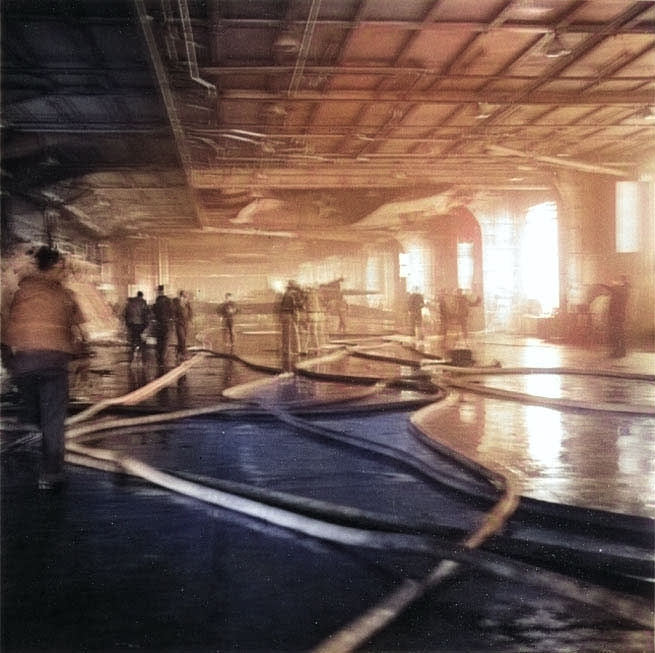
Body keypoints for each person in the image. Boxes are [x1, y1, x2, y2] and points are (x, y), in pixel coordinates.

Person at [2, 246, 87, 490]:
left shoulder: (19, 290)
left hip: (24, 363)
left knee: (35, 410)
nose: (64, 273)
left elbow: (4, 323)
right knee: (53, 419)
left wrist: (9, 359)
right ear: (51, 268)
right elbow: (79, 330)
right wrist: (83, 357)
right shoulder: (64, 294)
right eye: (61, 268)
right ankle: (51, 474)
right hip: (53, 361)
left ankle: (28, 426)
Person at [600, 275, 630, 357]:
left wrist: (605, 285)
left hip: (617, 315)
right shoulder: (622, 290)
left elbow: (613, 290)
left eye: (619, 281)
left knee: (617, 334)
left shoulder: (622, 290)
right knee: (618, 334)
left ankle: (618, 351)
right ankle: (620, 351)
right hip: (617, 315)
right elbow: (613, 291)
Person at [123, 290, 149, 363]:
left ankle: (133, 350)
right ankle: (140, 352)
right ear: (141, 296)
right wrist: (146, 324)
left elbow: (126, 312)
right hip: (140, 323)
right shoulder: (143, 302)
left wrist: (127, 323)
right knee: (140, 337)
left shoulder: (130, 302)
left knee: (134, 336)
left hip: (131, 323)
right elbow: (145, 313)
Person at [152, 284, 173, 367]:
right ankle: (163, 357)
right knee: (165, 340)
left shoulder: (157, 301)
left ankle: (160, 357)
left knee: (159, 340)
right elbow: (171, 311)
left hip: (158, 323)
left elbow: (154, 310)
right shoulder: (168, 301)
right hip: (166, 323)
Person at [172, 290, 193, 362]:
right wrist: (176, 320)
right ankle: (184, 354)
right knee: (182, 338)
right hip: (179, 324)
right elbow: (174, 313)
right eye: (183, 297)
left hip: (186, 324)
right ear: (180, 296)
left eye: (185, 297)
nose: (184, 298)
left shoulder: (187, 304)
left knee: (183, 339)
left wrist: (190, 320)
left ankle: (178, 353)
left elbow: (190, 313)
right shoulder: (176, 304)